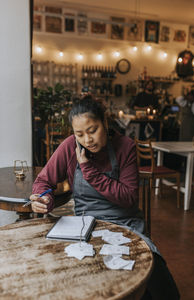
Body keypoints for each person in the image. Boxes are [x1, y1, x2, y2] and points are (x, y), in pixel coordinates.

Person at [30, 95, 180, 300]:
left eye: (92, 130)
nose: (87, 140)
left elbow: (128, 197)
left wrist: (90, 172)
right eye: (79, 134)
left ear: (105, 123)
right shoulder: (69, 147)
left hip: (127, 226)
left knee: (165, 292)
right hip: (86, 228)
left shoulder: (125, 146)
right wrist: (42, 199)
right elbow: (43, 181)